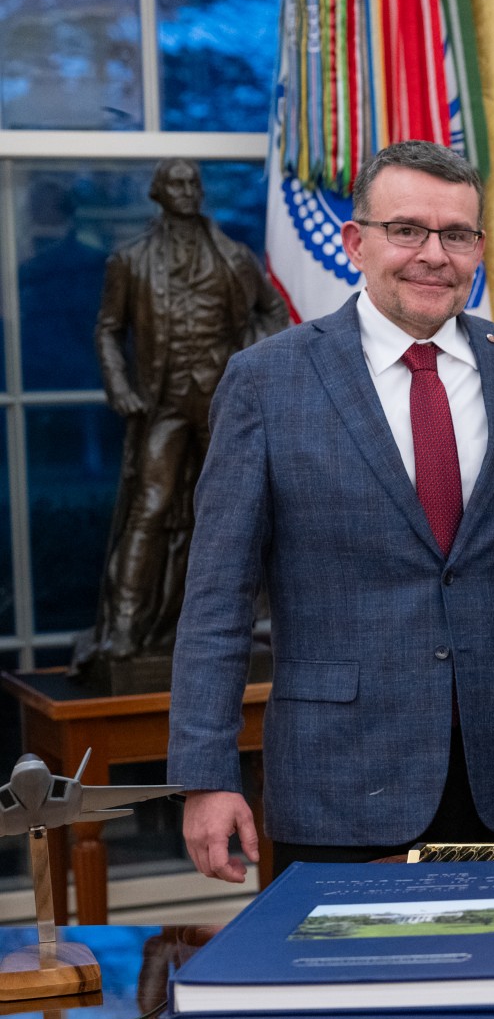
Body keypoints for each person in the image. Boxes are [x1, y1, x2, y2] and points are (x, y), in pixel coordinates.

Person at [170, 140, 494, 879]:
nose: (434, 255)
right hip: (337, 778)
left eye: (456, 235)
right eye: (407, 230)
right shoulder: (267, 382)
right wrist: (206, 774)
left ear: (480, 249)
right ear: (356, 242)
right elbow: (216, 597)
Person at [74, 159, 288, 678]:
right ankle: (125, 628)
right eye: (178, 183)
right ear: (158, 192)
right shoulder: (130, 260)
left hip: (222, 404)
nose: (189, 190)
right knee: (149, 508)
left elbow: (273, 311)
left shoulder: (233, 257)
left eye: (194, 183)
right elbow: (108, 329)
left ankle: (227, 624)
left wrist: (247, 362)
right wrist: (120, 387)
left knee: (233, 514)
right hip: (164, 405)